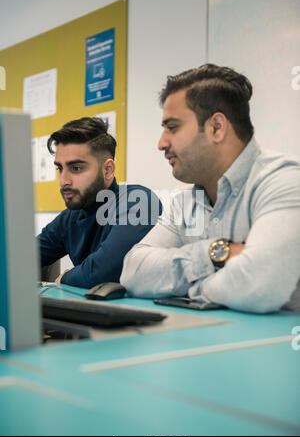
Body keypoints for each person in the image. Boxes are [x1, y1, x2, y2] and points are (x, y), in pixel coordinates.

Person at [121, 63, 300, 313]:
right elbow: (133, 272)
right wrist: (218, 253)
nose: (161, 143)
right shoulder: (184, 201)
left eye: (172, 128)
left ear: (216, 127)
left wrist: (196, 290)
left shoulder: (284, 181)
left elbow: (260, 284)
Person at [38, 117, 161, 288]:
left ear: (108, 170)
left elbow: (106, 271)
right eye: (60, 168)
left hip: (141, 313)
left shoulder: (138, 201)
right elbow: (24, 257)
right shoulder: (70, 217)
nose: (63, 180)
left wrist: (66, 278)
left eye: (76, 168)